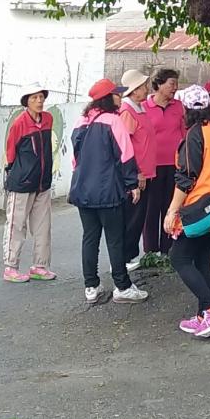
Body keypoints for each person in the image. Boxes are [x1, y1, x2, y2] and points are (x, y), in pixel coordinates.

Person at [69, 78, 149, 305]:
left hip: (82, 190)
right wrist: (132, 184)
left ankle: (91, 286)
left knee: (89, 238)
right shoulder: (113, 121)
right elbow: (125, 156)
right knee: (115, 239)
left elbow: (75, 160)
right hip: (108, 191)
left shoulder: (80, 121)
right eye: (117, 94)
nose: (120, 97)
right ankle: (122, 286)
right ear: (108, 98)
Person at [164, 84, 210, 339]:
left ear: (186, 109)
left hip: (198, 210)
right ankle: (205, 320)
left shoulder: (195, 134)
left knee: (179, 258)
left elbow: (186, 177)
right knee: (202, 260)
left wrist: (172, 211)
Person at [2, 83, 56, 284]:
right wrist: (20, 172)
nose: (39, 101)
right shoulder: (19, 123)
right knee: (16, 224)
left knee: (43, 226)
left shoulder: (48, 119)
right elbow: (10, 152)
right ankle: (11, 266)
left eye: (41, 97)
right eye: (34, 98)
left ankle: (40, 266)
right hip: (22, 183)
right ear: (27, 101)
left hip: (42, 182)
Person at [141, 68, 185, 255]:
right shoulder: (144, 107)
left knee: (170, 205)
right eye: (171, 84)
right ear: (159, 85)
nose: (175, 88)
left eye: (176, 84)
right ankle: (151, 250)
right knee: (151, 207)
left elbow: (184, 133)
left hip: (174, 165)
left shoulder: (179, 107)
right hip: (153, 165)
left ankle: (168, 249)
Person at [118, 69, 158, 272]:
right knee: (132, 218)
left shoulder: (139, 109)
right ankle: (122, 259)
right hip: (138, 175)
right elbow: (125, 146)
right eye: (142, 86)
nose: (146, 89)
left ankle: (128, 256)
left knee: (139, 217)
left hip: (147, 173)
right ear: (133, 91)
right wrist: (137, 172)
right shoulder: (127, 112)